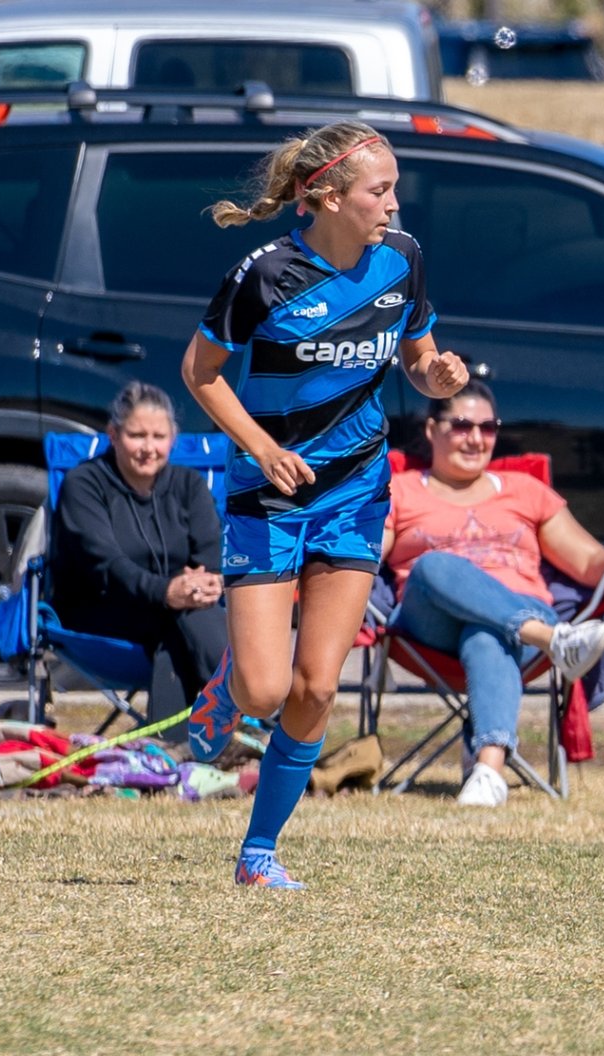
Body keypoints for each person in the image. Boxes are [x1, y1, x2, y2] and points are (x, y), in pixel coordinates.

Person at [180, 120, 470, 889]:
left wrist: (437, 376)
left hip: (355, 493)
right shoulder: (266, 275)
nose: (395, 204)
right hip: (269, 495)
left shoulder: (401, 258)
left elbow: (417, 354)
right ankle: (227, 689)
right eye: (381, 190)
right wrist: (262, 447)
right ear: (330, 197)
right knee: (265, 689)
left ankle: (258, 853)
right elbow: (200, 371)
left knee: (315, 687)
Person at [381, 381, 604, 807]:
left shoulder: (525, 491)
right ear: (431, 429)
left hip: (520, 619)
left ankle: (488, 772)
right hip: (428, 628)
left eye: (488, 428)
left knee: (486, 634)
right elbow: (365, 554)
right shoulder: (400, 490)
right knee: (434, 564)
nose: (476, 438)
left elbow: (587, 560)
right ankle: (555, 641)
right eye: (462, 425)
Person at [48, 381, 229, 740]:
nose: (149, 448)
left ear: (172, 439)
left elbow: (210, 557)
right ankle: (251, 710)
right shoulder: (83, 485)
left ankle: (173, 745)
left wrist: (202, 585)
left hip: (178, 614)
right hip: (101, 614)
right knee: (185, 617)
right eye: (137, 435)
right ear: (113, 434)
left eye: (159, 437)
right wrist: (167, 592)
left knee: (183, 619)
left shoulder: (189, 485)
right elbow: (105, 563)